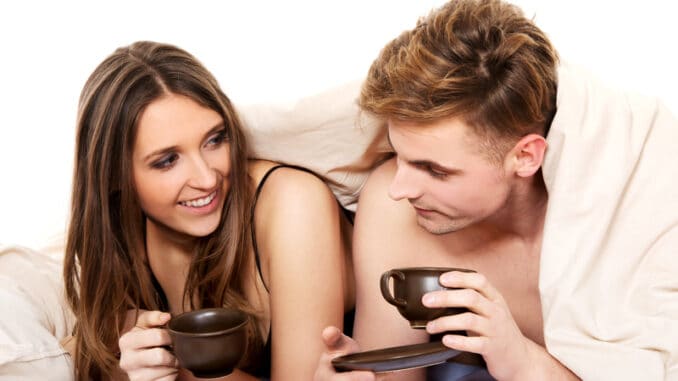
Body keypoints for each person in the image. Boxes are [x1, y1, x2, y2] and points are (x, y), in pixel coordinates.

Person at [314, 0, 678, 380]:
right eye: (400, 155)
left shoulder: (635, 221)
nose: (399, 189)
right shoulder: (394, 213)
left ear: (525, 157)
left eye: (433, 169)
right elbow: (392, 372)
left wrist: (523, 362)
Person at [62, 41, 355, 381]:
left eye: (214, 139)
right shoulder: (123, 231)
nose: (207, 178)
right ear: (114, 175)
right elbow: (83, 349)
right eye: (167, 160)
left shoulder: (292, 204)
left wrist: (176, 367)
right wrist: (123, 352)